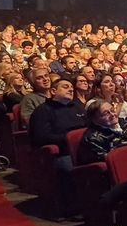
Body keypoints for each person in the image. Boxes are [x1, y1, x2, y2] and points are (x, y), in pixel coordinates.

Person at [28, 78, 87, 213]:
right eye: (65, 87)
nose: (71, 89)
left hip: (84, 148)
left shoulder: (77, 107)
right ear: (54, 91)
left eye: (71, 87)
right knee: (69, 167)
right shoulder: (43, 111)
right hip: (62, 151)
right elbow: (41, 137)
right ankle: (73, 208)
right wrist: (69, 140)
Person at [78, 99, 127, 165]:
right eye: (106, 113)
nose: (112, 114)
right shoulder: (93, 138)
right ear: (95, 120)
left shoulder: (125, 124)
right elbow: (106, 160)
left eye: (112, 110)